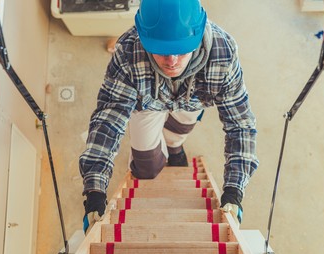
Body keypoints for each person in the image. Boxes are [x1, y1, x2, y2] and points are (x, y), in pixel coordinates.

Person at [79, 0, 259, 234]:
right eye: (162, 50)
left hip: (193, 100)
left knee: (178, 133)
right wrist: (95, 189)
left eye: (182, 49)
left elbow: (240, 124)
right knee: (146, 167)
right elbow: (108, 121)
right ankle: (164, 153)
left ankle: (174, 149)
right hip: (146, 105)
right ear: (143, 36)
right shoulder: (127, 52)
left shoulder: (223, 52)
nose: (172, 61)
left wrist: (234, 189)